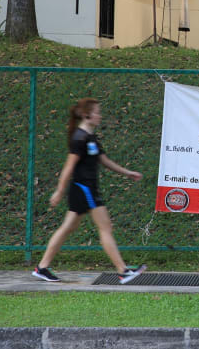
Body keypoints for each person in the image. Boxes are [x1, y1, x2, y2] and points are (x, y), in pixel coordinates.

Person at [32, 98, 146, 284]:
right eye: (97, 112)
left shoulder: (91, 137)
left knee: (68, 227)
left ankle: (42, 267)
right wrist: (59, 191)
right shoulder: (80, 138)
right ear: (87, 115)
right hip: (84, 188)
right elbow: (69, 167)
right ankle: (123, 271)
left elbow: (104, 160)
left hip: (87, 188)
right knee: (105, 227)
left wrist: (127, 173)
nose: (100, 116)